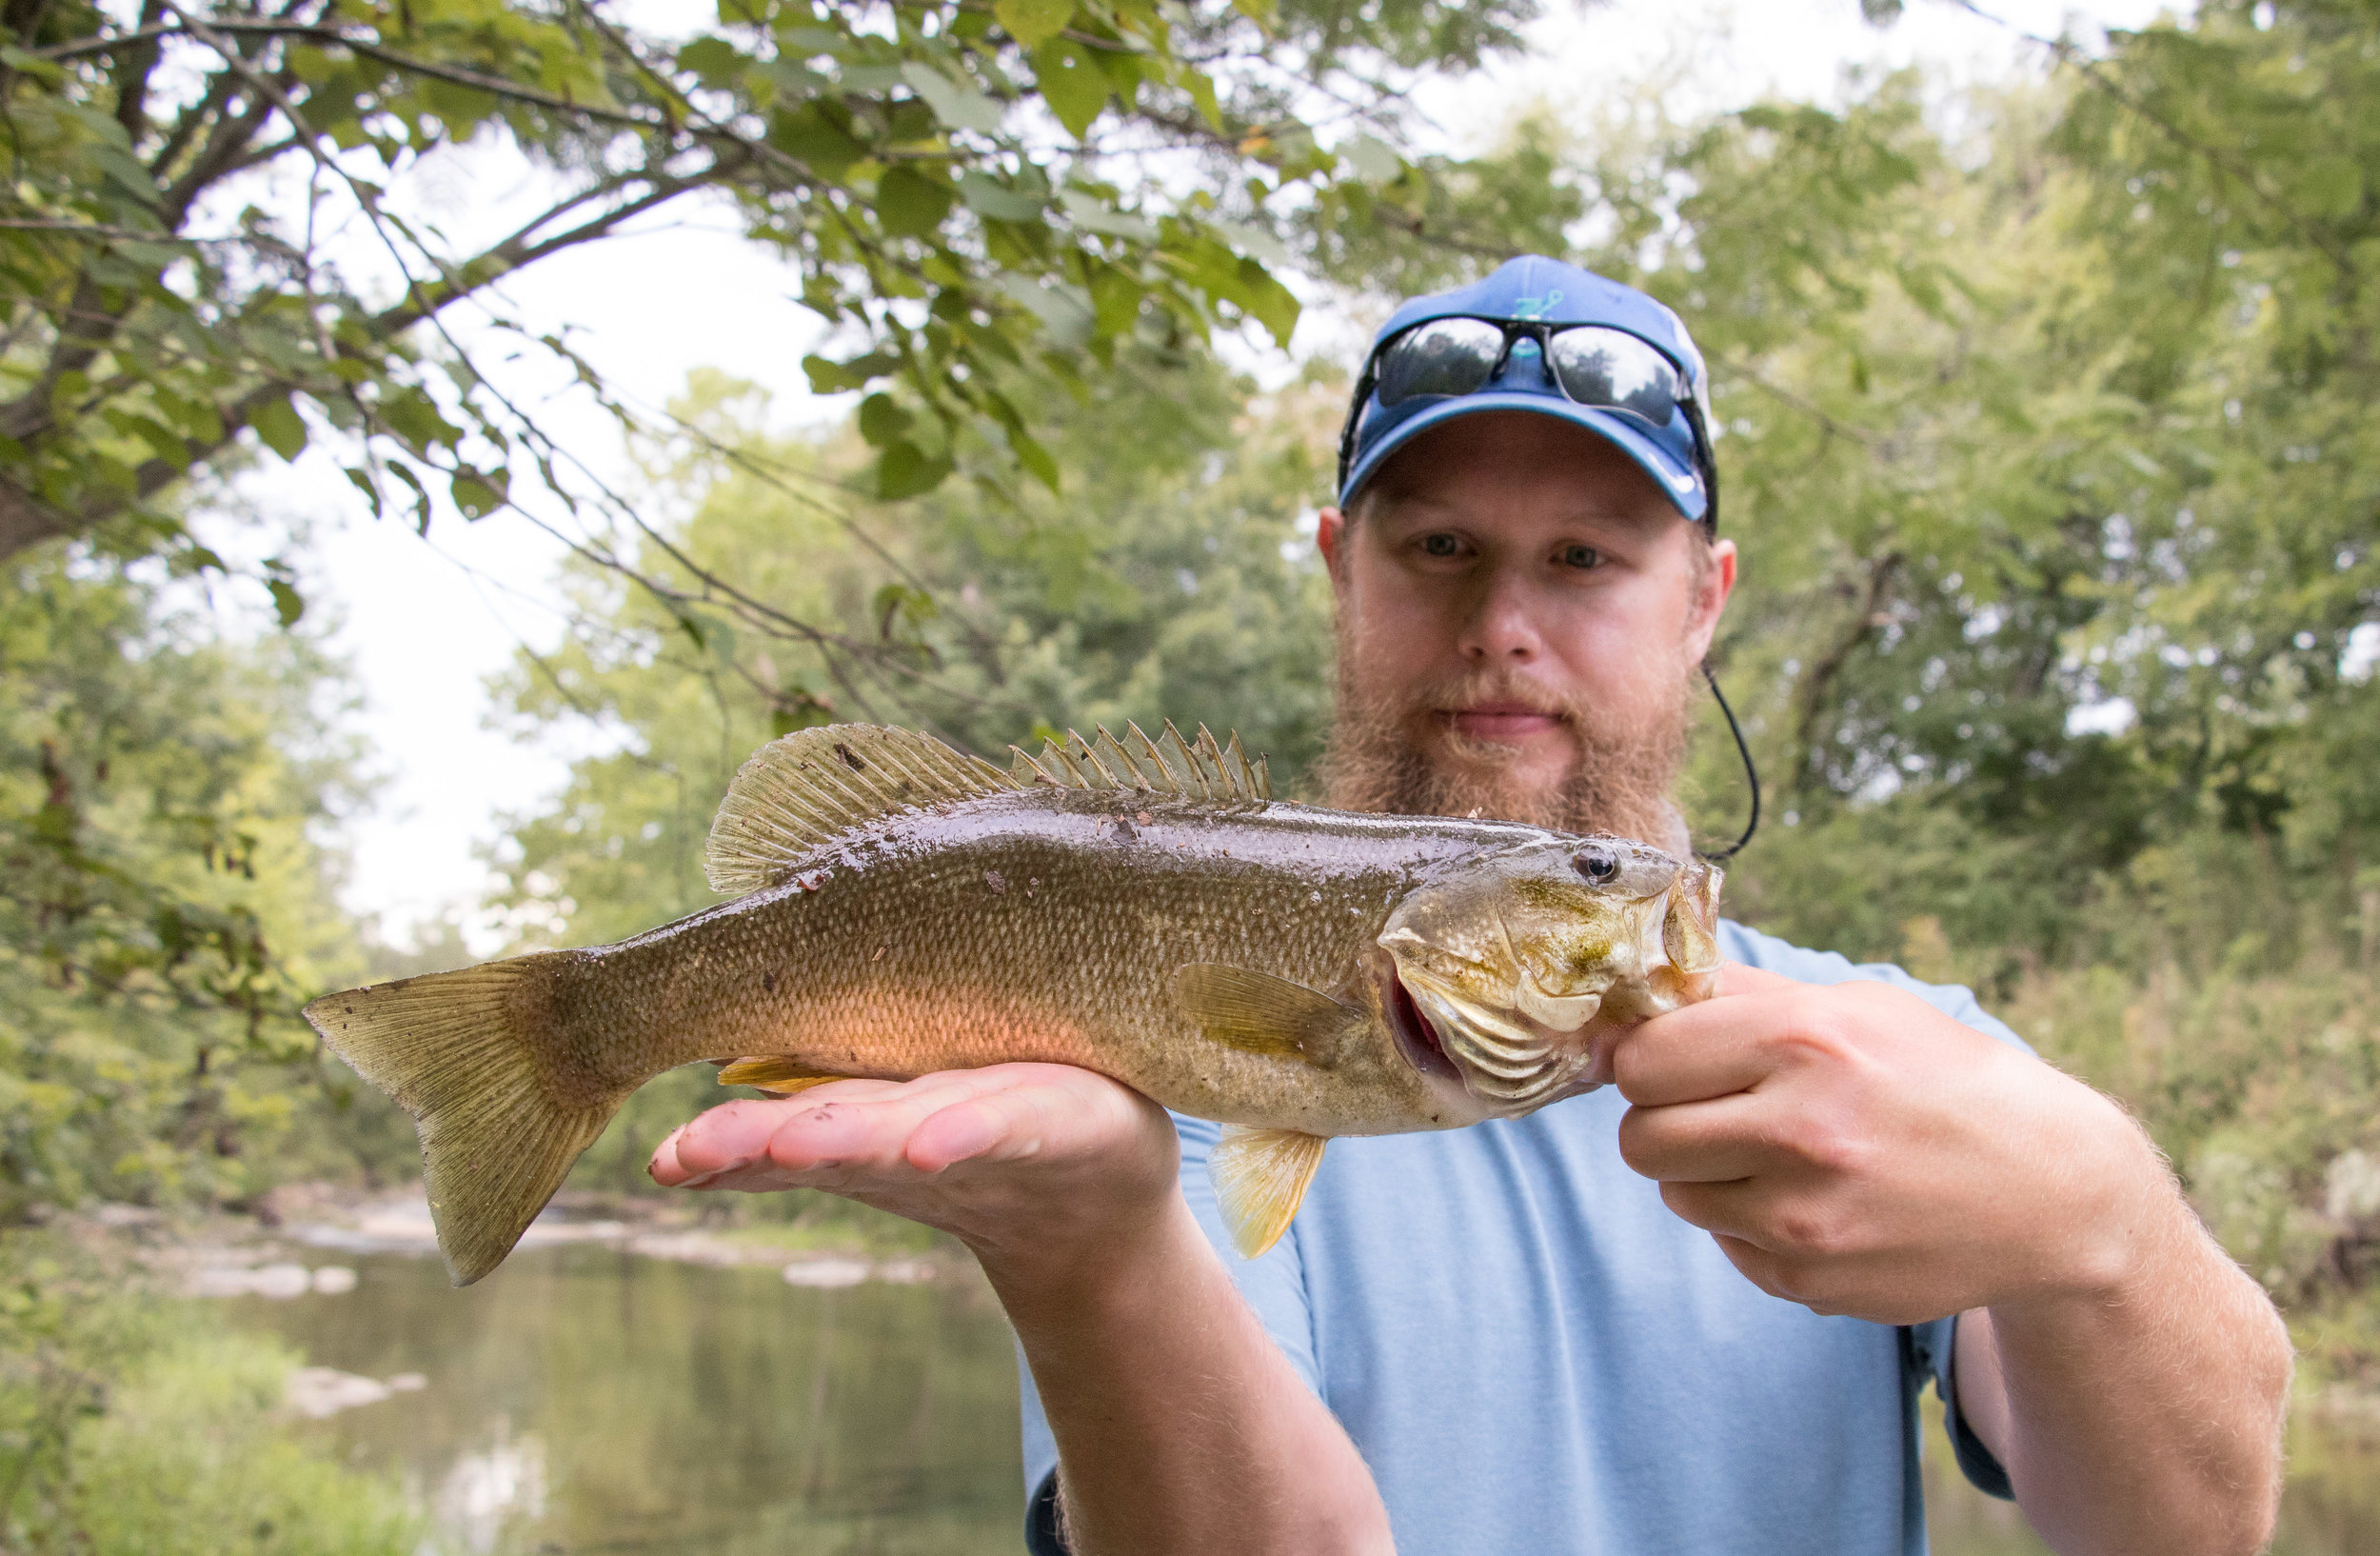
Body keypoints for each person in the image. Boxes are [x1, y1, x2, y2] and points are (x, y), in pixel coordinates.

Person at [647, 255, 2291, 1555]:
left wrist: (2109, 1223)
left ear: (1706, 597)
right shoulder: (1126, 1098)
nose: (1505, 620)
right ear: (1338, 567)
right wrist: (1089, 1253)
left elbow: (2193, 1530)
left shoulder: (1903, 1066)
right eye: (1437, 544)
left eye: (1586, 558)